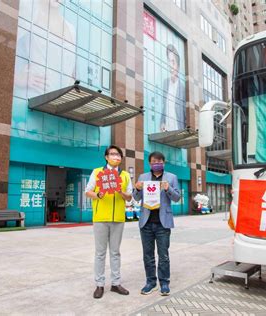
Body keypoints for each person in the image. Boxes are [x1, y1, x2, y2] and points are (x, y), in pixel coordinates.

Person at [85, 145, 132, 299]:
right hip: (100, 218)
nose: (116, 157)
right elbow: (88, 191)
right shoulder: (97, 172)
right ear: (106, 157)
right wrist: (99, 194)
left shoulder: (125, 175)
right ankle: (99, 284)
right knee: (100, 253)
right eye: (112, 154)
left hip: (118, 218)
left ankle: (116, 283)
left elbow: (129, 197)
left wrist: (121, 191)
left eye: (118, 155)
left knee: (115, 252)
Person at [132, 151, 181, 296]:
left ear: (164, 163)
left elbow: (177, 198)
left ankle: (164, 283)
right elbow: (136, 197)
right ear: (149, 163)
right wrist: (138, 188)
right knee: (148, 255)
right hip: (146, 222)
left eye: (159, 161)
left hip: (163, 223)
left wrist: (168, 188)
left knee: (163, 255)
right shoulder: (143, 177)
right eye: (154, 161)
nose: (156, 163)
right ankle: (151, 282)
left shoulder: (171, 177)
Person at [160, 44, 186, 132]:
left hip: (178, 134)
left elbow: (186, 116)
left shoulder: (183, 89)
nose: (170, 65)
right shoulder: (165, 83)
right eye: (169, 61)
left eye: (173, 62)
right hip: (166, 132)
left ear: (178, 66)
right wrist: (162, 122)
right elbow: (164, 107)